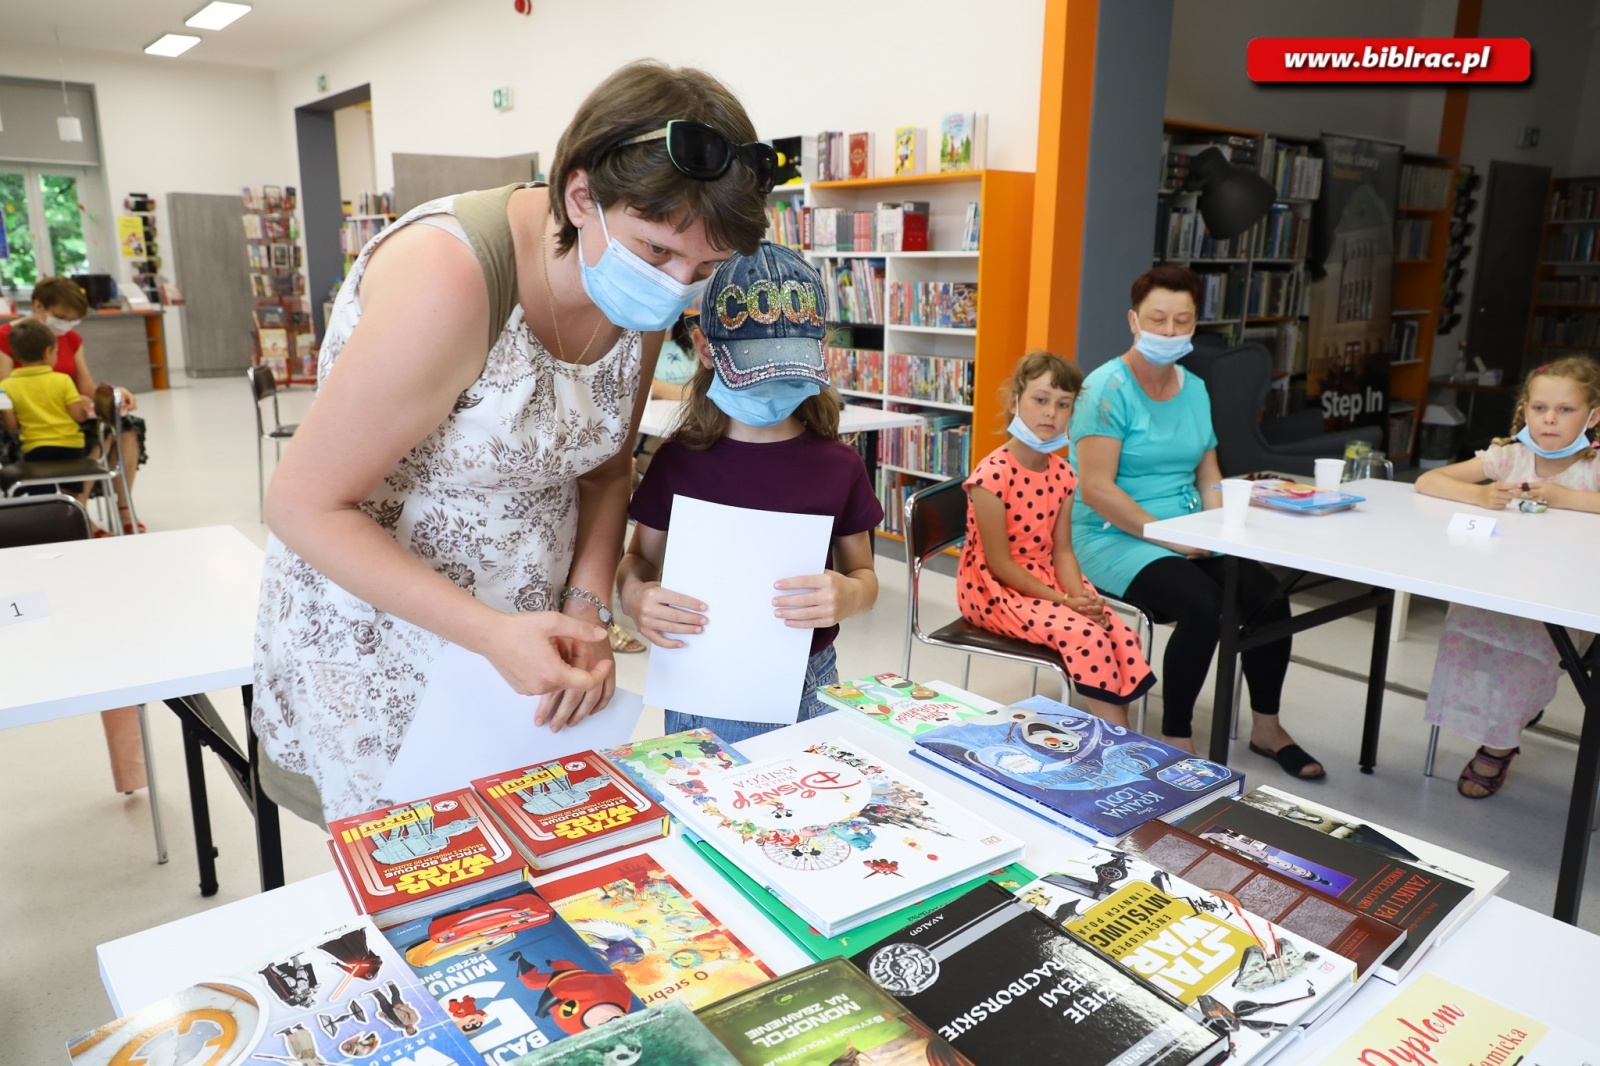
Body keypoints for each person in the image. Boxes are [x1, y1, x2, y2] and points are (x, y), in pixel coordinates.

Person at [253, 61, 774, 824]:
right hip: (386, 634)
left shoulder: (639, 286)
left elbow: (605, 471)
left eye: (706, 267)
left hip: (530, 639)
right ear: (581, 197)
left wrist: (587, 609)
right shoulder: (450, 277)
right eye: (658, 253)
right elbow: (303, 505)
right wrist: (489, 634)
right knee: (413, 858)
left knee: (529, 853)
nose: (675, 286)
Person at [616, 241, 881, 743]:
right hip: (700, 682)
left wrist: (848, 595)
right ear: (704, 349)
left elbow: (864, 577)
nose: (771, 391)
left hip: (809, 682)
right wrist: (635, 596)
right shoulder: (678, 462)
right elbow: (639, 562)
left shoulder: (840, 466)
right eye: (756, 375)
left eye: (787, 376)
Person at [1069, 266, 1320, 778]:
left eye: (1181, 321)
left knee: (1269, 600)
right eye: (1157, 319)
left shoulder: (1196, 389)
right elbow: (1096, 488)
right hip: (1113, 535)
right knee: (1205, 607)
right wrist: (1171, 538)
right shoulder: (1104, 388)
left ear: (1194, 324)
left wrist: (1223, 527)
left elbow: (1209, 474)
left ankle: (1267, 728)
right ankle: (1176, 738)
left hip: (1186, 532)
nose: (1169, 331)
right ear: (1133, 321)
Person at [1416, 357, 1600, 798]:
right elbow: (1428, 481)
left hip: (1558, 601)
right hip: (1494, 589)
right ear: (1525, 410)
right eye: (1540, 408)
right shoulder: (1509, 457)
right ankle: (1506, 719)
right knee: (1465, 638)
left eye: (1566, 410)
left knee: (1524, 657)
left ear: (1593, 416)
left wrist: (1567, 498)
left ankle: (1498, 745)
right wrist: (1479, 495)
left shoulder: (1593, 466)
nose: (1550, 419)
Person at [957, 350, 1155, 725]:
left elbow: (1062, 551)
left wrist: (1079, 598)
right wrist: (1064, 601)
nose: (1051, 413)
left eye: (1063, 404)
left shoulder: (1062, 473)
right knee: (1087, 637)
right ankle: (1121, 740)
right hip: (994, 590)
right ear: (1015, 402)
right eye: (1041, 399)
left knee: (1118, 632)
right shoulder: (992, 475)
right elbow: (999, 565)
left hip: (1046, 578)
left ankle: (1119, 736)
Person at [0, 319, 148, 793]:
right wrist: (85, 407)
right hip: (71, 451)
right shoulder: (60, 379)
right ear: (50, 352)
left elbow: (11, 426)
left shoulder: (8, 384)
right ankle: (79, 508)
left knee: (33, 471)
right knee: (91, 450)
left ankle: (55, 516)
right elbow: (81, 412)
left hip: (31, 458)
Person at [0, 276, 147, 533]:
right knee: (93, 436)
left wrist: (116, 392)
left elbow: (87, 388)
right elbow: (6, 391)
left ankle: (122, 507)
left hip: (66, 413)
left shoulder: (70, 339)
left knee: (126, 426)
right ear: (38, 306)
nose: (66, 325)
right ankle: (79, 511)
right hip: (28, 422)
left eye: (73, 320)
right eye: (61, 317)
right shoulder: (8, 337)